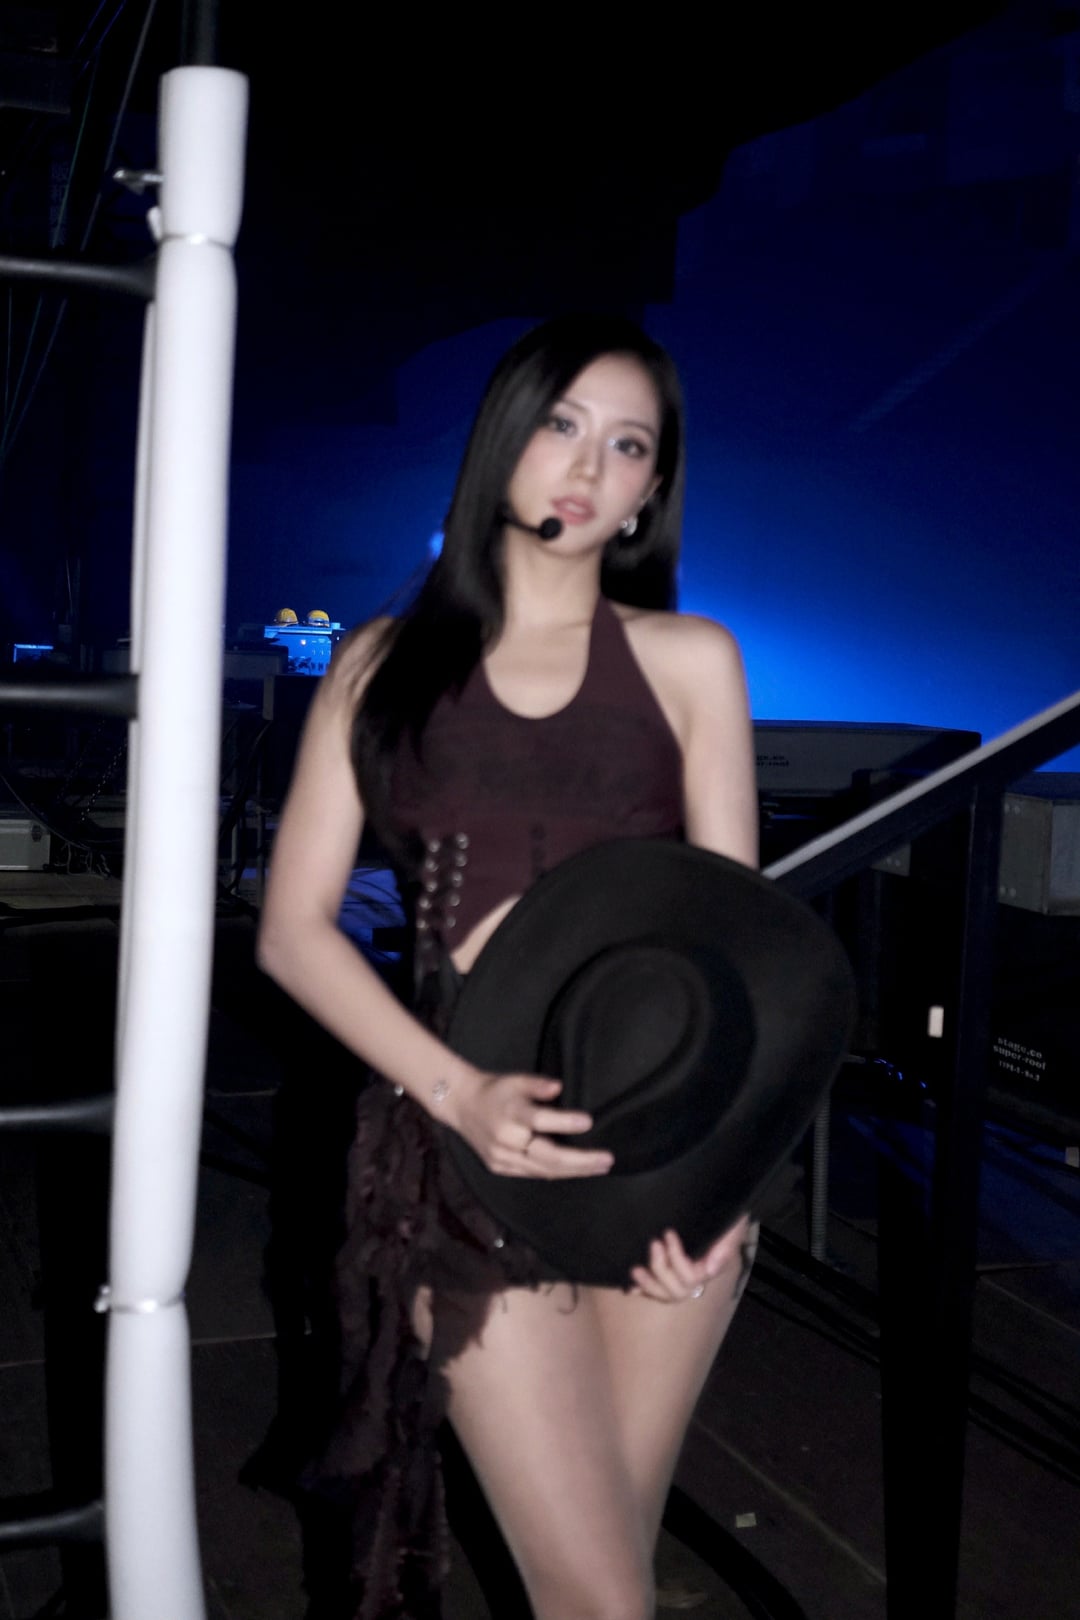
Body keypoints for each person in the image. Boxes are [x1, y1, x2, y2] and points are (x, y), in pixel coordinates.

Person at [257, 314, 761, 1620]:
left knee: (602, 1577)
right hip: (461, 1154)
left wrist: (726, 1182)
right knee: (600, 1593)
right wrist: (458, 1093)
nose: (589, 465)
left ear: (652, 489)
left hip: (663, 1151)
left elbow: (738, 948)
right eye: (562, 424)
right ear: (503, 439)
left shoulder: (693, 661)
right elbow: (292, 928)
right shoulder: (379, 664)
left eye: (629, 445)